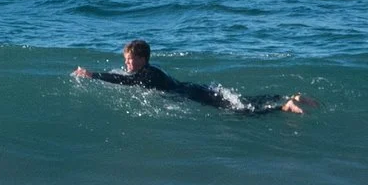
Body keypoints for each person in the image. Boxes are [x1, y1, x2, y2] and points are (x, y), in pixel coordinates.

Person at [72, 40, 315, 115]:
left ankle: (284, 106)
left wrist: (93, 75)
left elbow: (126, 81)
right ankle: (289, 97)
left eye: (131, 59)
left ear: (143, 59)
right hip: (193, 89)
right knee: (243, 101)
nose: (127, 63)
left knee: (239, 113)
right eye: (126, 59)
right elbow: (126, 78)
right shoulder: (149, 71)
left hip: (193, 94)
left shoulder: (146, 74)